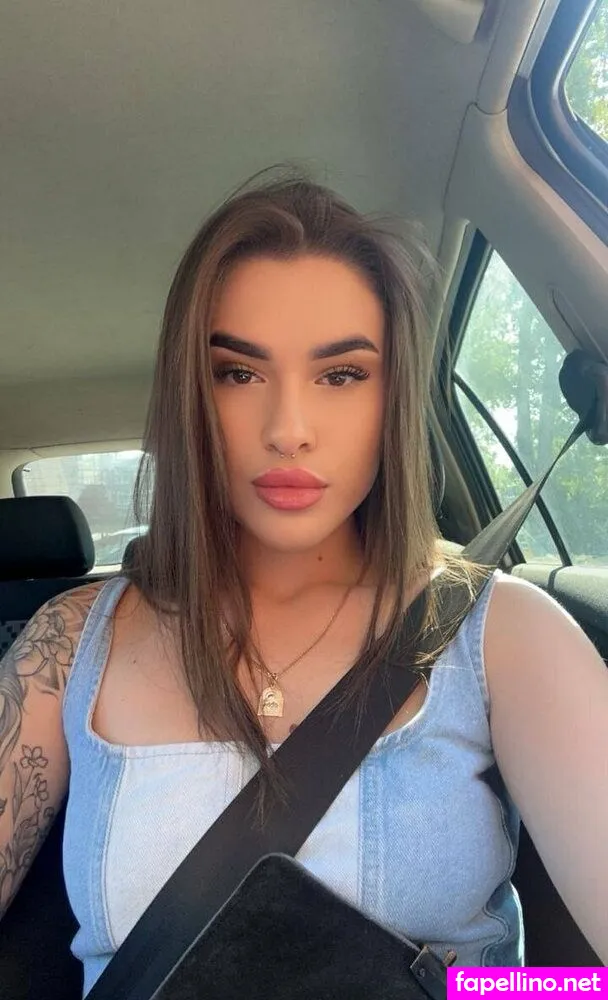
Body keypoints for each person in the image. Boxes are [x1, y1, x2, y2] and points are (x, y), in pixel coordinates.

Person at [0, 169, 607, 995]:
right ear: (189, 396)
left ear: (393, 396)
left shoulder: (503, 635)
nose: (288, 430)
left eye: (341, 374)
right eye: (238, 373)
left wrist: (505, 989)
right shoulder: (67, 643)